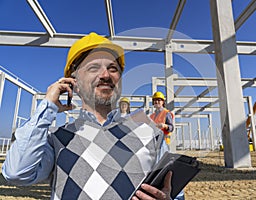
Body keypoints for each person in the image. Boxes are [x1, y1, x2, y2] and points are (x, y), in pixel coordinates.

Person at [2, 32, 184, 200]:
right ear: (74, 84)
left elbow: (174, 192)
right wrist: (47, 106)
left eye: (113, 68)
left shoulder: (150, 133)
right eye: (93, 68)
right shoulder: (56, 139)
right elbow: (17, 172)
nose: (105, 75)